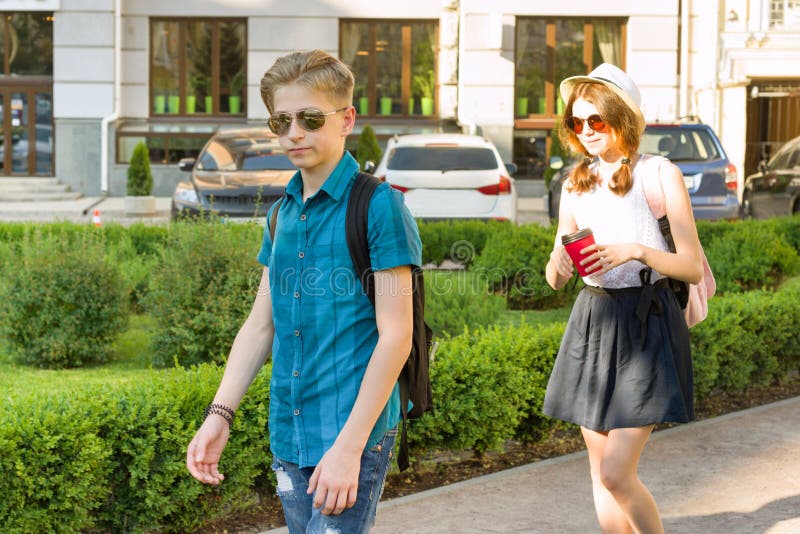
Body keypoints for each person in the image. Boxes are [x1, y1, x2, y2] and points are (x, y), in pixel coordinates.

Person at [186, 49, 422, 534]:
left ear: (346, 119)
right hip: (289, 434)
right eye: (282, 120)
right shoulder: (282, 214)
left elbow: (397, 337)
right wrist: (219, 416)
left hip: (354, 433)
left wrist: (349, 448)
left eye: (311, 118)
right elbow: (260, 325)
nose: (295, 132)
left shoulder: (380, 208)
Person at [543, 63, 704, 534]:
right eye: (578, 122)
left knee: (616, 472)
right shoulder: (575, 183)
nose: (587, 130)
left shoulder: (659, 173)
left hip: (647, 321)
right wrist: (561, 261)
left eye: (598, 120)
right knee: (598, 471)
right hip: (592, 320)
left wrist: (635, 251)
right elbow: (554, 277)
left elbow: (691, 265)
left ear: (623, 117)